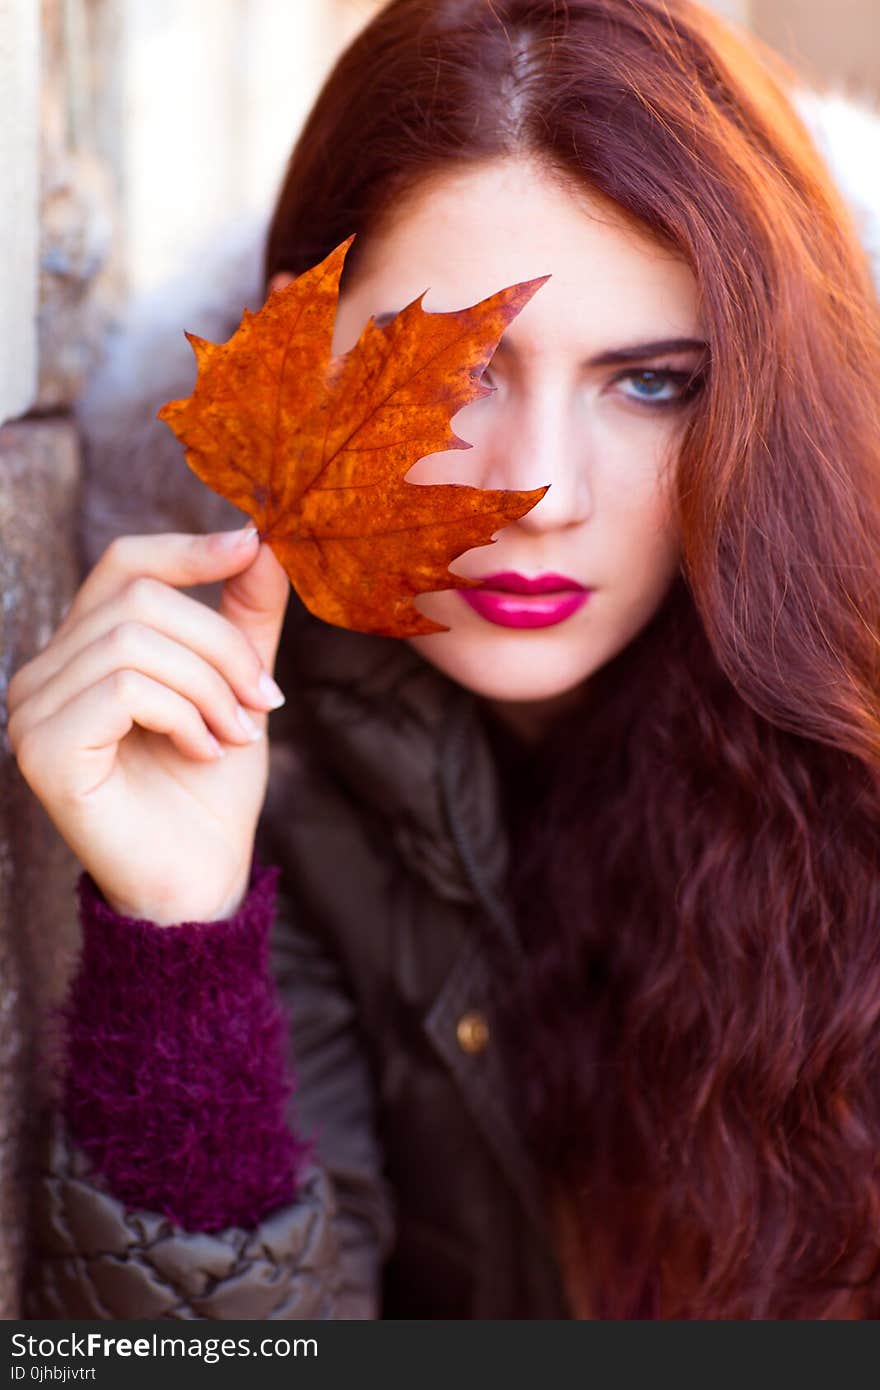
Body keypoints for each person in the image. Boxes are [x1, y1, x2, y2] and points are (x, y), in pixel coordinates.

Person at [8, 0, 880, 1320]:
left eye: (652, 382)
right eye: (457, 371)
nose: (536, 491)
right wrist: (182, 942)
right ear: (294, 372)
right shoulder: (275, 764)